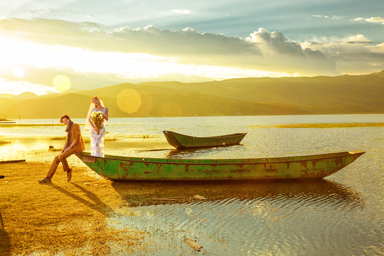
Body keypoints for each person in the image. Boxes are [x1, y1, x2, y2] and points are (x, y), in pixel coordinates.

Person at [39, 115, 85, 183]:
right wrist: (62, 151)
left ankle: (68, 171)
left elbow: (76, 139)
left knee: (61, 157)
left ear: (69, 119)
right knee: (56, 158)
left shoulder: (75, 125)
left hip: (76, 147)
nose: (65, 122)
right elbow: (66, 142)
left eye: (66, 120)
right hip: (70, 147)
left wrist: (69, 148)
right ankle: (48, 177)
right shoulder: (68, 128)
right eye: (63, 121)